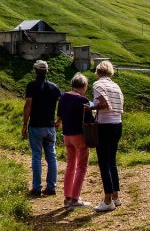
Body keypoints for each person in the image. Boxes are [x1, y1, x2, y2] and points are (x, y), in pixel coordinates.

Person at [86, 60, 125, 212]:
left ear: (97, 72)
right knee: (112, 161)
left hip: (105, 125)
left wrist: (90, 107)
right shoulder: (116, 86)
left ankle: (107, 200)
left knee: (103, 163)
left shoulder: (98, 85)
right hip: (117, 124)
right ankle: (116, 196)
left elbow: (103, 104)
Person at [22, 60, 62, 197]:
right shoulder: (54, 87)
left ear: (35, 71)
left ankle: (37, 188)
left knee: (36, 157)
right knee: (51, 156)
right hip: (50, 126)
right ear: (47, 71)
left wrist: (24, 124)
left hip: (36, 126)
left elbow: (28, 105)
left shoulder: (31, 86)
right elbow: (61, 103)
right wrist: (60, 120)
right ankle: (51, 187)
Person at [56, 73, 92, 208]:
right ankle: (75, 199)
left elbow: (59, 115)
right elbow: (89, 120)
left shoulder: (63, 96)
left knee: (70, 165)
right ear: (83, 86)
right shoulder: (83, 100)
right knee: (81, 167)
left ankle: (67, 197)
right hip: (79, 136)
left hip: (67, 135)